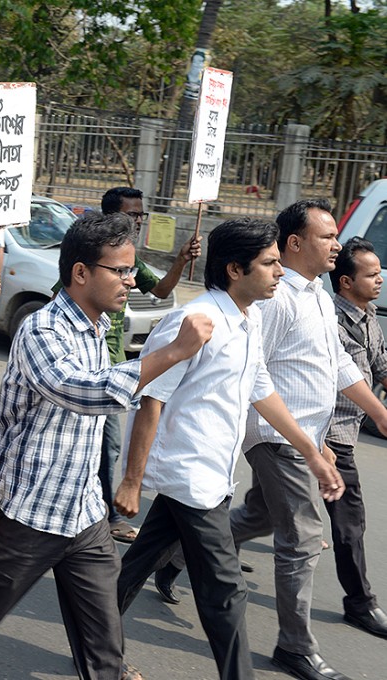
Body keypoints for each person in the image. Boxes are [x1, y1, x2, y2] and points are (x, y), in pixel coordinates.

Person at [0, 211, 213, 680]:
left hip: (83, 510)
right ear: (82, 272)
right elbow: (85, 390)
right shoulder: (43, 329)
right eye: (120, 270)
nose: (131, 280)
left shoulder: (98, 327)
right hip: (31, 507)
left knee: (102, 632)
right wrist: (172, 352)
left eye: (132, 269)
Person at [114, 218, 346, 680]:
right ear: (235, 269)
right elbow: (151, 401)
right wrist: (132, 481)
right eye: (270, 263)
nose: (281, 272)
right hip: (189, 472)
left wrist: (312, 452)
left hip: (216, 471)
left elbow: (264, 390)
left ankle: (94, 634)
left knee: (137, 564)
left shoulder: (249, 318)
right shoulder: (193, 320)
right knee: (225, 591)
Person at [229, 199, 387, 680]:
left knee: (256, 516)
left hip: (308, 435)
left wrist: (379, 412)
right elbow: (255, 377)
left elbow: (339, 364)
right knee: (302, 538)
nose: (337, 245)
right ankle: (295, 647)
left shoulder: (318, 294)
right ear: (295, 242)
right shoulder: (275, 300)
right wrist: (307, 446)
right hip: (277, 438)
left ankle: (179, 553)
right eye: (327, 237)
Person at [53, 186, 201, 546]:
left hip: (115, 364)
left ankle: (94, 510)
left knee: (100, 443)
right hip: (88, 372)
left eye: (141, 215)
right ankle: (107, 513)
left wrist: (181, 260)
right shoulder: (81, 274)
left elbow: (161, 292)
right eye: (131, 215)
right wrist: (175, 351)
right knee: (104, 443)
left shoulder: (129, 263)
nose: (138, 221)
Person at [324, 237, 387, 639]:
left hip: (344, 432)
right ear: (346, 282)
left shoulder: (369, 315)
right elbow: (346, 377)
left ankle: (180, 558)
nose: (380, 279)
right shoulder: (328, 318)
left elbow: (381, 366)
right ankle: (360, 604)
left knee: (261, 514)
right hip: (322, 433)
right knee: (349, 524)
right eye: (372, 274)